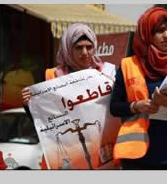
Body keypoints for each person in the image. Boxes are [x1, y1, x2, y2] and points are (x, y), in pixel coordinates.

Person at [110, 7, 167, 170]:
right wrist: (136, 106)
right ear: (147, 34)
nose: (166, 36)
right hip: (136, 155)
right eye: (159, 31)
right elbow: (114, 107)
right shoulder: (128, 64)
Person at [21, 23, 114, 169]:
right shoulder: (53, 78)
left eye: (89, 47)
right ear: (67, 49)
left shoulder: (107, 75)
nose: (85, 52)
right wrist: (29, 104)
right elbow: (44, 122)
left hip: (103, 157)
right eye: (78, 47)